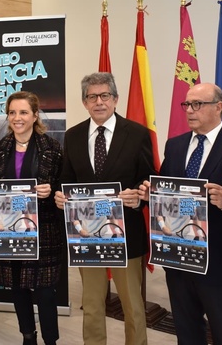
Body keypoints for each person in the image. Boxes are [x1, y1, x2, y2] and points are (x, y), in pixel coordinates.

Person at [140, 82, 222, 345]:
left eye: (197, 104)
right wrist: (151, 193)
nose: (189, 110)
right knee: (186, 331)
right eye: (187, 104)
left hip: (220, 262)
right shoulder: (174, 145)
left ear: (218, 107)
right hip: (179, 256)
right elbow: (167, 192)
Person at [54, 72, 154, 345]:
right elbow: (66, 179)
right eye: (92, 96)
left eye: (104, 95)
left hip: (126, 234)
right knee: (93, 304)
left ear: (115, 99)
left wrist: (139, 196)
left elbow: (148, 179)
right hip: (86, 235)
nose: (99, 102)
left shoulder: (136, 133)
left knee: (132, 305)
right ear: (85, 102)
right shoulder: (73, 136)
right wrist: (61, 196)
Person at [0, 91, 64, 345]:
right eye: (12, 112)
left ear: (35, 115)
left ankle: (50, 340)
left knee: (45, 292)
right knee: (18, 288)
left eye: (23, 112)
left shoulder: (52, 148)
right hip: (8, 231)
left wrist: (53, 190)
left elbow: (63, 187)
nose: (17, 118)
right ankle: (28, 335)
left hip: (43, 231)